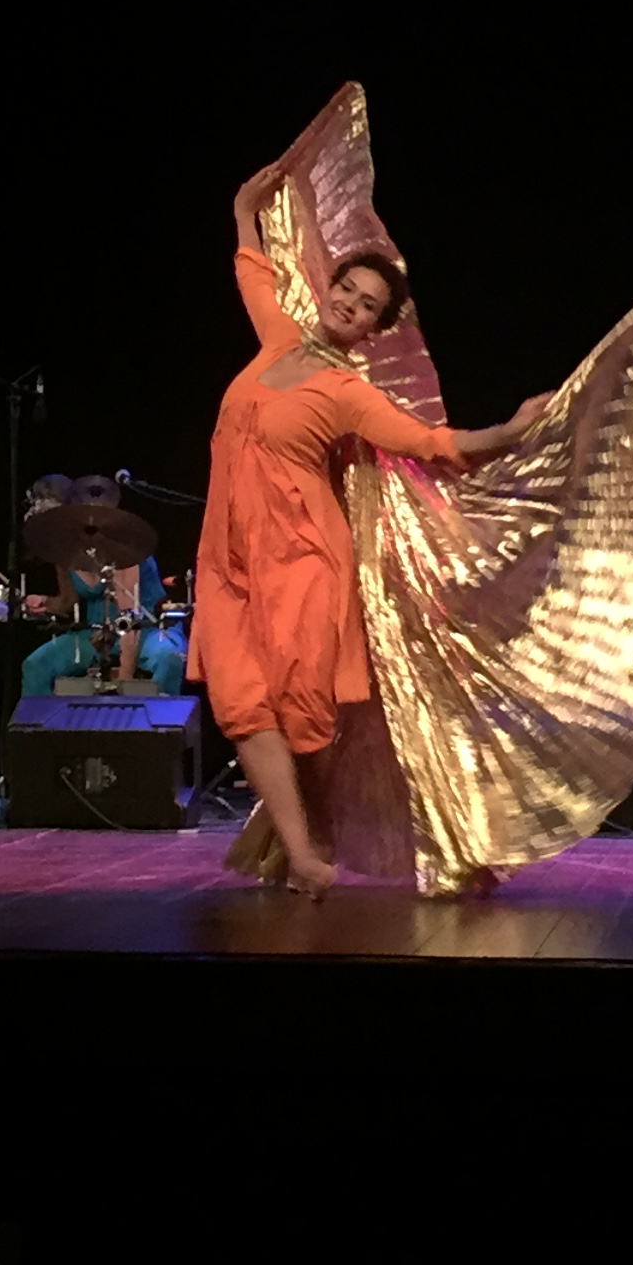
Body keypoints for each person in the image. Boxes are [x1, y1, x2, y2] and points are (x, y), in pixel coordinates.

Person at [184, 154, 551, 899]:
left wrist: (511, 430)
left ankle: (318, 836)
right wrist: (244, 208)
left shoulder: (349, 393)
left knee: (304, 716)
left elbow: (435, 445)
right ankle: (304, 851)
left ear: (376, 329)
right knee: (240, 706)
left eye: (367, 305)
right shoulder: (278, 341)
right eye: (346, 290)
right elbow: (252, 270)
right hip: (227, 558)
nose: (349, 304)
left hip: (301, 559)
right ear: (328, 290)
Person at [14, 473, 188, 698]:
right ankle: (41, 721)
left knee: (168, 659)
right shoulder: (62, 551)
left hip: (146, 628)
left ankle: (158, 719)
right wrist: (45, 603)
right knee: (35, 665)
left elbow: (129, 618)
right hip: (96, 633)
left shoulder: (120, 545)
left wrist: (124, 681)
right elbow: (68, 601)